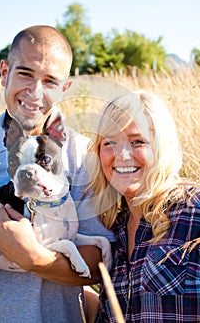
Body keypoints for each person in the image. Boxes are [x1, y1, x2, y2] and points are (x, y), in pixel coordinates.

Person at [0, 25, 113, 323]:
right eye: (25, 74)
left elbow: (97, 264)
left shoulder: (84, 157)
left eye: (49, 81)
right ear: (4, 71)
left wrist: (34, 258)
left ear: (65, 88)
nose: (35, 92)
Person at [86, 90, 200, 322]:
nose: (122, 155)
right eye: (110, 143)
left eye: (137, 142)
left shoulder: (193, 211)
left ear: (161, 146)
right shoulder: (113, 230)